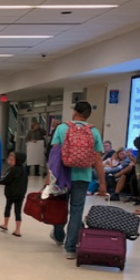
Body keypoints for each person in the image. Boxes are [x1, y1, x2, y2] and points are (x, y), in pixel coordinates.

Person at [49, 101, 106, 259]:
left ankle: (59, 235)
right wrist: (102, 182)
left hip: (63, 175)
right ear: (88, 115)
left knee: (60, 207)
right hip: (83, 177)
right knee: (76, 211)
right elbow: (97, 160)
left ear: (75, 112)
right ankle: (70, 249)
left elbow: (54, 155)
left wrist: (49, 177)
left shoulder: (62, 128)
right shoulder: (93, 131)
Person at [0, 151, 28, 237]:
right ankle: (18, 230)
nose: (9, 161)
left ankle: (5, 224)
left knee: (8, 207)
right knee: (18, 211)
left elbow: (6, 180)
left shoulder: (12, 170)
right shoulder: (24, 169)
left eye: (11, 160)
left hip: (11, 193)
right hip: (20, 194)